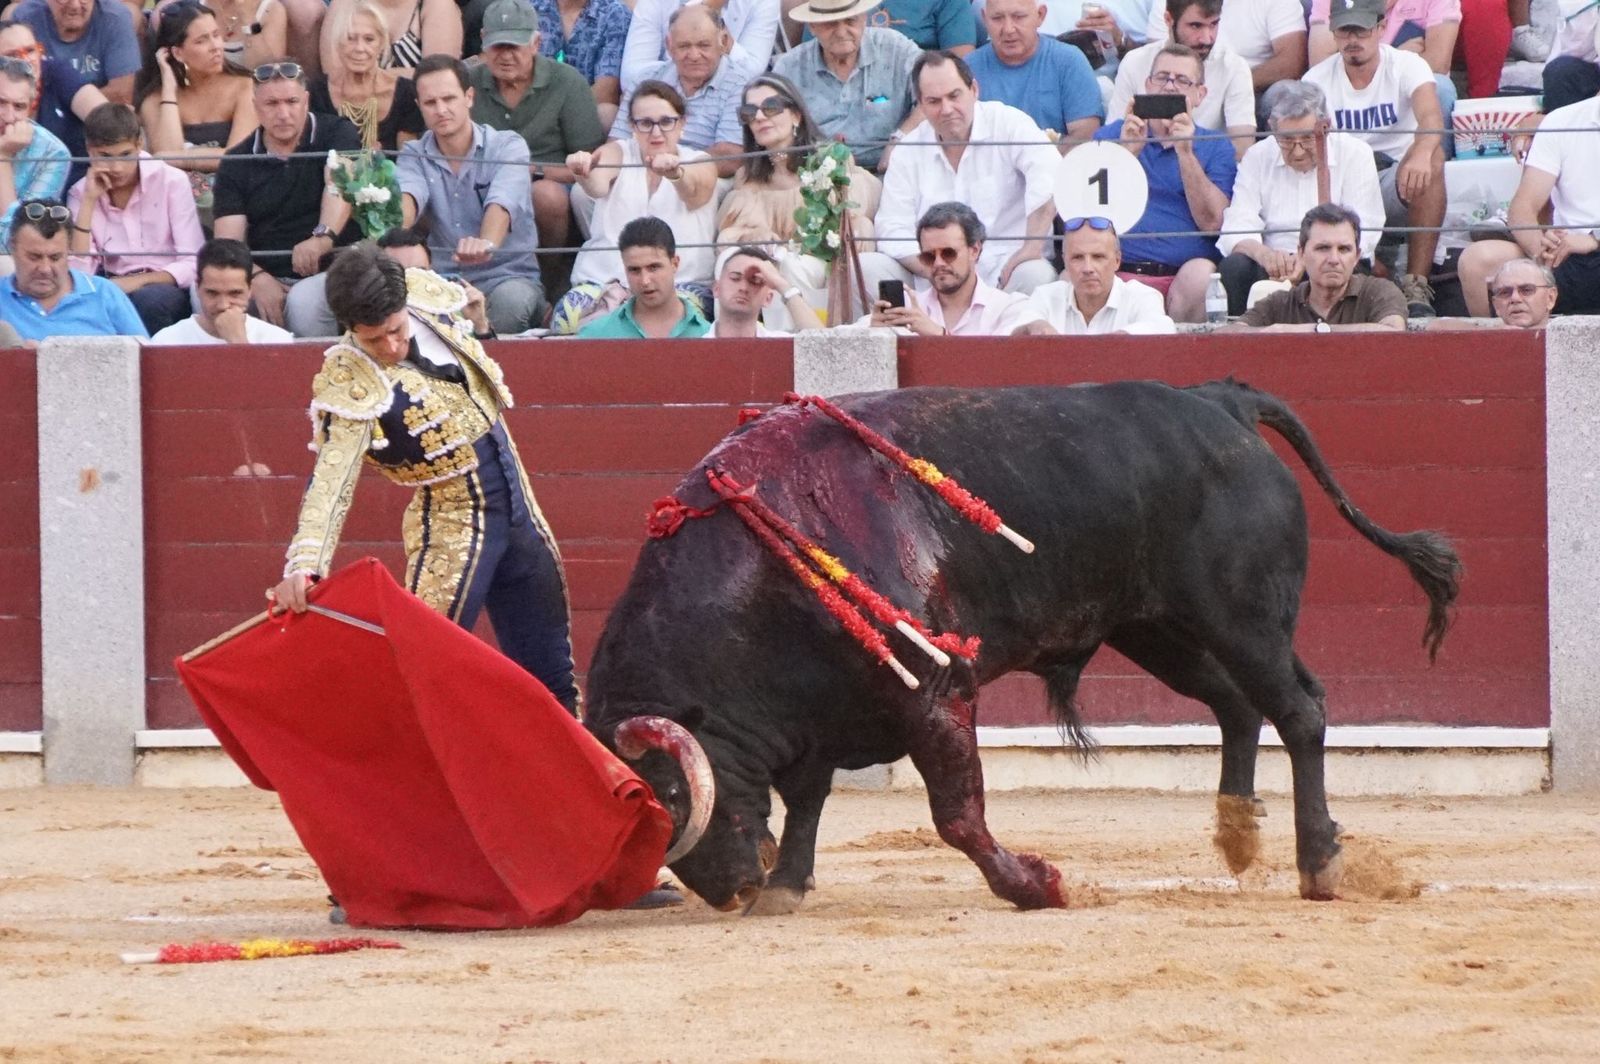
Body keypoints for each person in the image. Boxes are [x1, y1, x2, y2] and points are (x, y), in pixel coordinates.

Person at [268, 242, 580, 715]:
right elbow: (331, 479)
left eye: (395, 330)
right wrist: (304, 563)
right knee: (420, 673)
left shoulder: (429, 299)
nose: (391, 347)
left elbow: (477, 369)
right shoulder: (349, 379)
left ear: (403, 305)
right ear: (350, 329)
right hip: (453, 528)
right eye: (374, 340)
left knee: (552, 671)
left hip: (522, 513)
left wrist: (480, 325)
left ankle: (571, 785)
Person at [866, 51, 1059, 298]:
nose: (947, 109)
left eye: (954, 96)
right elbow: (892, 228)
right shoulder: (908, 151)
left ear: (974, 90)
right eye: (934, 101)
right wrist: (938, 269)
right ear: (921, 105)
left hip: (1004, 271)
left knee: (1037, 274)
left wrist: (1031, 248)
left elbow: (1049, 179)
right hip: (931, 277)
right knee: (868, 268)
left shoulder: (1009, 123)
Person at [1303, 0, 1444, 318]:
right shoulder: (1315, 80)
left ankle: (1416, 283)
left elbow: (1432, 117)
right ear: (1333, 32)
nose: (1353, 39)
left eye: (1362, 30)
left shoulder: (1407, 64)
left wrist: (1421, 152)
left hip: (1395, 177)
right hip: (1342, 186)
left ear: (1381, 28)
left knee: (1433, 158)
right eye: (1344, 30)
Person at [398, 54, 548, 335]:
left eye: (449, 98)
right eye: (430, 103)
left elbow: (502, 204)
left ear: (468, 97)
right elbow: (409, 197)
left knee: (509, 307)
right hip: (441, 281)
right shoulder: (413, 154)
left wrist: (485, 242)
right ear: (419, 106)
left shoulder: (508, 146)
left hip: (507, 277)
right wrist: (391, 223)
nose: (441, 109)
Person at [716, 73, 880, 327]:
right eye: (749, 112)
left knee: (789, 265)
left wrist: (856, 223)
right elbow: (733, 233)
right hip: (780, 265)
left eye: (771, 107)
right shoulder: (748, 177)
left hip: (829, 264)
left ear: (796, 115)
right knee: (739, 262)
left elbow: (859, 206)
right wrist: (752, 234)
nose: (759, 117)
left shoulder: (829, 160)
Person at [555, 79, 717, 332]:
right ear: (632, 126)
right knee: (567, 318)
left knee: (678, 319)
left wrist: (675, 174)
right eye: (645, 123)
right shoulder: (618, 151)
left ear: (682, 124)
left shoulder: (699, 159)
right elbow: (596, 186)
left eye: (666, 122)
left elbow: (695, 193)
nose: (656, 132)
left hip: (682, 283)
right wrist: (581, 170)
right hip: (605, 281)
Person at [212, 60, 360, 333]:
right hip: (264, 270)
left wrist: (322, 237)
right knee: (206, 303)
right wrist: (255, 276)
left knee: (305, 303)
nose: (283, 113)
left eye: (291, 102)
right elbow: (227, 242)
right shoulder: (236, 160)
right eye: (272, 104)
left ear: (306, 101)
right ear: (255, 106)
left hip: (333, 269)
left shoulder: (338, 132)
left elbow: (339, 187)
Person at [1215, 81, 1384, 316]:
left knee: (1345, 270)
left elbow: (1366, 229)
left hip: (1334, 256)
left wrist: (1309, 258)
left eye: (1307, 139)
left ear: (1326, 127)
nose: (1297, 151)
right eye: (1285, 140)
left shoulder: (1356, 153)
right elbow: (1237, 227)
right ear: (1272, 130)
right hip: (1274, 260)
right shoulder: (1257, 156)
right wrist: (1266, 256)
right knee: (1234, 268)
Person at [1093, 42, 1234, 321]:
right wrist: (1127, 154)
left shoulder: (1216, 146)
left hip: (1182, 278)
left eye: (1182, 81)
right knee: (1070, 275)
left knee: (1203, 276)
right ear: (1147, 84)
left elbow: (1212, 223)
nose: (1170, 87)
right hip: (1115, 274)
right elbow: (1090, 213)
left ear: (1199, 94)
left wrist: (1185, 152)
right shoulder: (1108, 137)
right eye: (1162, 78)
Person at [469, 0, 604, 256]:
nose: (506, 56)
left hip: (546, 184)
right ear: (483, 40)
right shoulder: (468, 82)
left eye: (515, 46)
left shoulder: (567, 82)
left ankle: (550, 275)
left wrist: (533, 171)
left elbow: (591, 165)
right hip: (480, 180)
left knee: (546, 196)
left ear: (536, 44)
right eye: (498, 46)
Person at [1456, 90, 1600, 317]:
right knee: (1477, 260)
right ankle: (1491, 349)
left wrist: (1594, 239)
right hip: (1568, 256)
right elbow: (1522, 209)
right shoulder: (1563, 121)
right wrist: (1541, 251)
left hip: (1589, 247)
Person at [67, 103, 204, 334]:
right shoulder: (80, 193)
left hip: (166, 286)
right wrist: (89, 201)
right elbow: (78, 275)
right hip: (109, 286)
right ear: (89, 151)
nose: (117, 167)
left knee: (149, 301)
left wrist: (135, 282)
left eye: (125, 155)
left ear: (139, 145)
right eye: (105, 156)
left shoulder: (171, 181)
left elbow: (193, 261)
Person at [772, 0, 921, 173]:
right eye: (830, 23)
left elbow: (933, 97)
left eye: (851, 20)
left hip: (892, 171)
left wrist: (899, 140)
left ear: (864, 18)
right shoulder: (789, 68)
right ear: (812, 27)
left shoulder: (896, 48)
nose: (842, 32)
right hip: (817, 176)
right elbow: (773, 123)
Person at [136, 2, 258, 213]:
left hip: (235, 197)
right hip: (176, 203)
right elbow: (165, 161)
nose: (216, 46)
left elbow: (238, 158)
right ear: (178, 53)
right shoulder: (154, 100)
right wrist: (168, 89)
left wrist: (186, 155)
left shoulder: (244, 87)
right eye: (202, 41)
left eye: (216, 35)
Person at [609, 4, 756, 177]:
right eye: (684, 46)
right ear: (669, 46)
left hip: (704, 177)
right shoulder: (645, 79)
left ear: (723, 42)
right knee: (583, 194)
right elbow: (617, 143)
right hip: (642, 171)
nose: (694, 55)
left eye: (703, 45)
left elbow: (730, 156)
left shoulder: (741, 85)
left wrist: (672, 169)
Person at [867, 201, 1045, 335]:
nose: (938, 263)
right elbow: (841, 336)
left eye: (948, 253)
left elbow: (995, 364)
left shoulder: (1008, 308)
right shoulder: (908, 309)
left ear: (974, 250)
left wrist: (939, 335)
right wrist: (872, 332)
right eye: (929, 256)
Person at [1111, 0, 1253, 157]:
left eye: (1213, 24)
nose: (1206, 39)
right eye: (1195, 26)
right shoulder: (1134, 62)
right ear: (1168, 20)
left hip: (1206, 168)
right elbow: (1111, 136)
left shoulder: (1234, 67)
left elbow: (1242, 149)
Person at [1233, 203, 1407, 331]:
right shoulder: (1282, 302)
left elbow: (1394, 332)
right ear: (1301, 254)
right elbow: (1228, 334)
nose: (1334, 259)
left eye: (1344, 249)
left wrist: (1311, 331)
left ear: (1357, 257)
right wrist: (1269, 331)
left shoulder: (1379, 292)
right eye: (1323, 248)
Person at [0, 198, 148, 340]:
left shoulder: (104, 294)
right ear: (13, 248)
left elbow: (145, 357)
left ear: (69, 250)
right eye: (34, 257)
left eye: (55, 257)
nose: (45, 269)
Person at [965, 0, 1103, 145]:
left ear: (1040, 15)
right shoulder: (967, 68)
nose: (1008, 29)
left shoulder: (1069, 61)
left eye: (1018, 17)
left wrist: (1036, 161)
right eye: (997, 18)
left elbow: (1085, 136)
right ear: (984, 18)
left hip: (1057, 164)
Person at [1309, 0, 1459, 124]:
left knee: (1441, 88)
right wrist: (1395, 55)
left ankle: (1432, 158)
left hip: (1407, 98)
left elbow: (1438, 63)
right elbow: (1320, 63)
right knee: (1313, 89)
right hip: (1348, 94)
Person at [0, 19, 108, 186]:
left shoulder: (57, 73)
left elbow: (107, 119)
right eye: (12, 56)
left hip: (73, 188)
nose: (25, 60)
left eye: (30, 50)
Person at [1025, 215, 1176, 333]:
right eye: (1078, 257)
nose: (1088, 268)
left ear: (1117, 260)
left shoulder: (1142, 296)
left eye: (1098, 257)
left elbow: (1163, 327)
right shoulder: (1045, 297)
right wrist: (1031, 328)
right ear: (1065, 261)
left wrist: (1118, 340)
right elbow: (1011, 329)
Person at [307, 0, 424, 151]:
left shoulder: (405, 93)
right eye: (350, 38)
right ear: (338, 42)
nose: (360, 48)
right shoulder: (317, 92)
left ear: (381, 44)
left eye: (369, 39)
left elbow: (407, 160)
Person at [577, 216, 712, 338]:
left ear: (675, 264)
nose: (645, 281)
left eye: (654, 267)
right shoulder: (596, 336)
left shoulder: (707, 336)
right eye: (634, 270)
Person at [149, 236, 296, 342]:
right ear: (197, 288)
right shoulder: (167, 341)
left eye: (235, 293)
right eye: (212, 293)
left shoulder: (277, 340)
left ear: (250, 290)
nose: (223, 305)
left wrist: (238, 341)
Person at [1145, 0, 1306, 92]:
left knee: (1285, 92)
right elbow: (1155, 59)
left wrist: (1229, 83)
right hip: (1179, 87)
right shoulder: (1167, 3)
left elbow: (1291, 63)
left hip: (1252, 88)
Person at [619, 0, 778, 92]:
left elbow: (752, 75)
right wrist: (701, 9)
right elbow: (630, 77)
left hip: (730, 100)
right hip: (666, 99)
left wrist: (711, 19)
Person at [7, 0, 140, 105]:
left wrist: (64, 109)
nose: (75, 5)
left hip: (98, 120)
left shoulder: (115, 18)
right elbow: (12, 89)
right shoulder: (26, 18)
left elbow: (121, 95)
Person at [529, 0, 631, 127]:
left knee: (606, 113)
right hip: (531, 109)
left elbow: (606, 92)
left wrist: (553, 116)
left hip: (581, 114)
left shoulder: (614, 13)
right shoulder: (529, 8)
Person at [0, 55, 67, 246]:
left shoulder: (54, 154)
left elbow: (13, 240)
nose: (9, 117)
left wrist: (3, 157)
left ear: (31, 108)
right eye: (1, 102)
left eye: (19, 106)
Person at [320, 0, 461, 75]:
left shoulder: (436, 4)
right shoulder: (344, 3)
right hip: (355, 112)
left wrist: (367, 78)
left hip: (418, 116)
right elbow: (334, 76)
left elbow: (438, 76)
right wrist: (410, 75)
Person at [711, 243, 823, 336]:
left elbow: (824, 349)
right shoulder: (695, 350)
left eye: (755, 281)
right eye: (735, 278)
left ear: (768, 299)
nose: (743, 288)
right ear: (716, 288)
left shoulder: (781, 346)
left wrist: (782, 284)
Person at [1428, 257, 1558, 330]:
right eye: (1505, 292)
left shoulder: (1567, 334)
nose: (1515, 298)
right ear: (1496, 306)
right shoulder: (1492, 331)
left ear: (1550, 298)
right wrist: (1491, 334)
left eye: (1527, 290)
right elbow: (1436, 326)